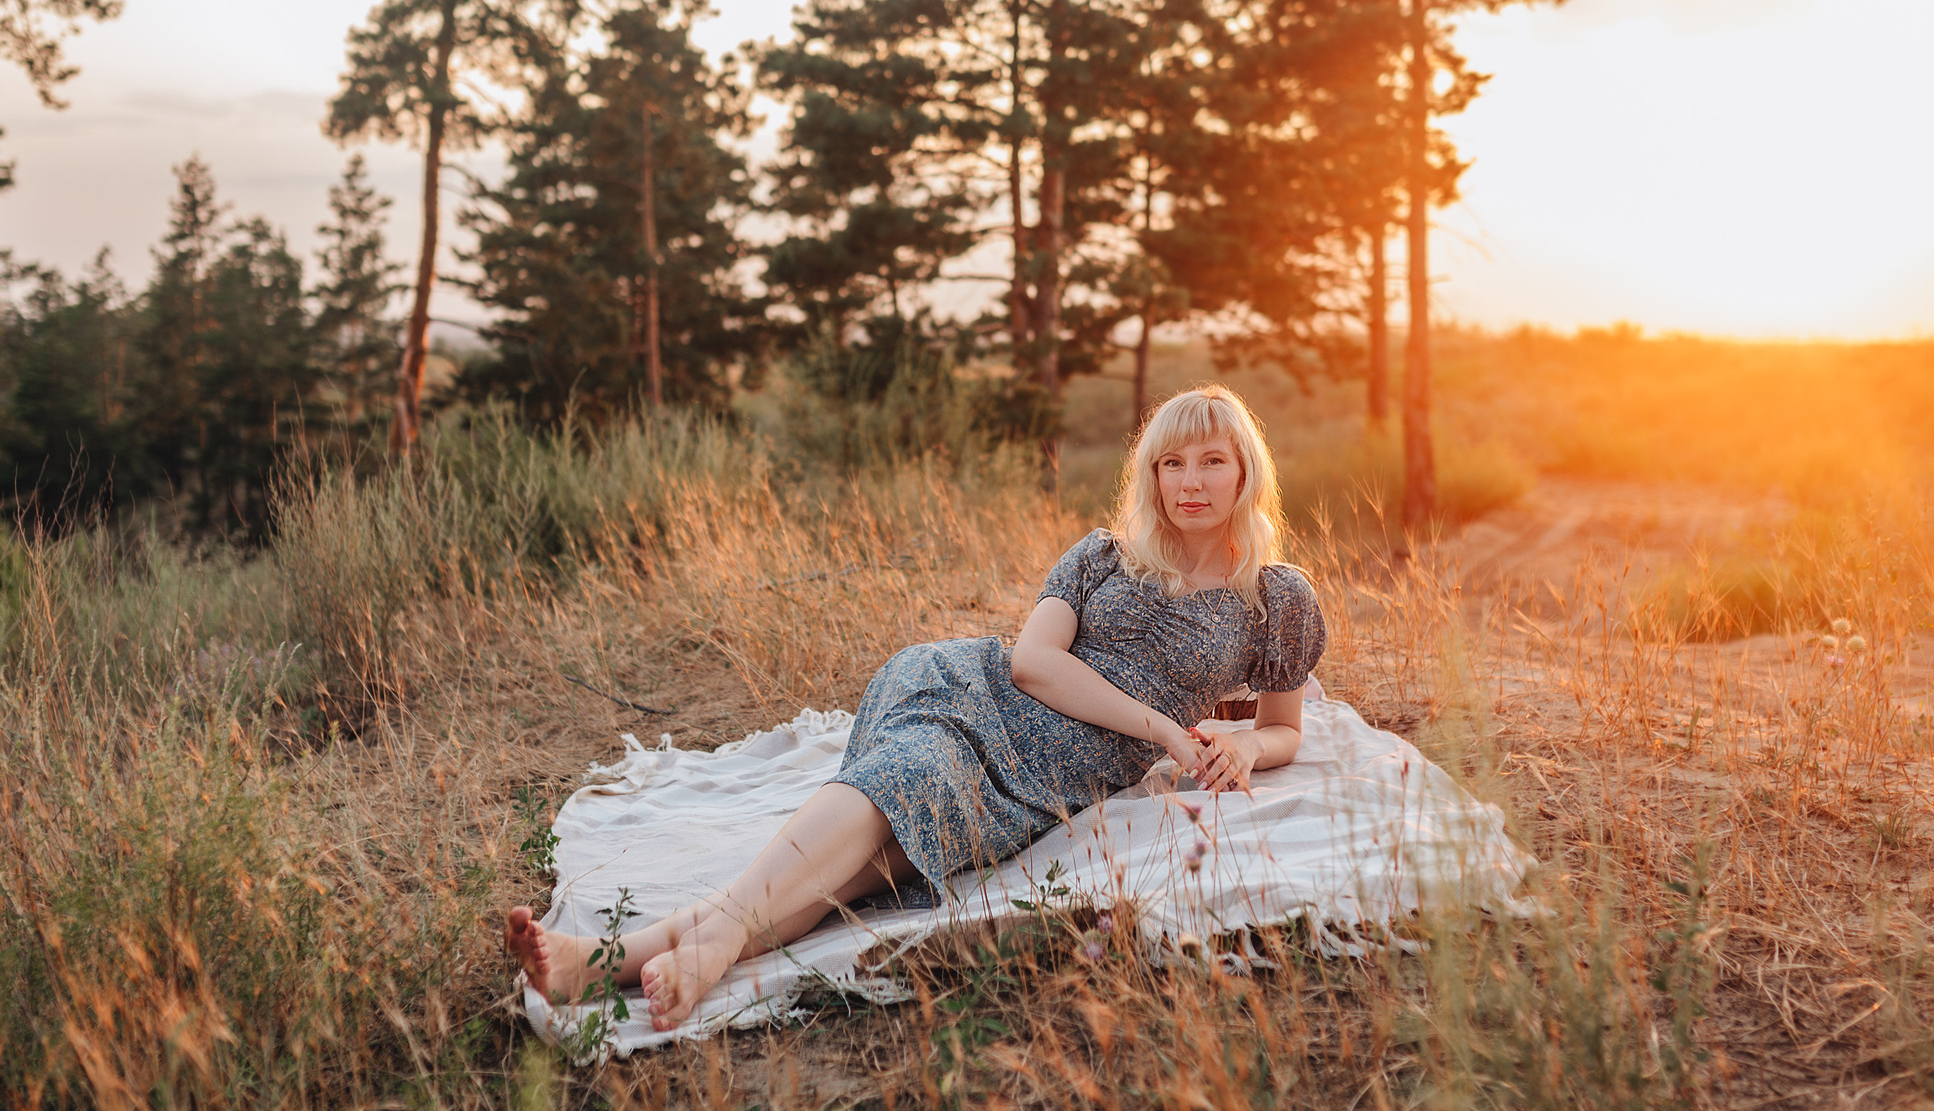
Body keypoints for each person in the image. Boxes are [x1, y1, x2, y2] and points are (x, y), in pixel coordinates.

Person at [507, 383, 1328, 1031]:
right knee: (908, 774)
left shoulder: (1277, 599)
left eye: (1212, 462)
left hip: (1061, 772)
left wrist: (1250, 749)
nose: (1191, 483)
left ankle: (608, 958)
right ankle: (719, 939)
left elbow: (1284, 727)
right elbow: (1033, 663)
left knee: (870, 871)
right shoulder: (1103, 555)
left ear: (1246, 471)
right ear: (1150, 474)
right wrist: (1161, 730)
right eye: (1171, 464)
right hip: (974, 697)